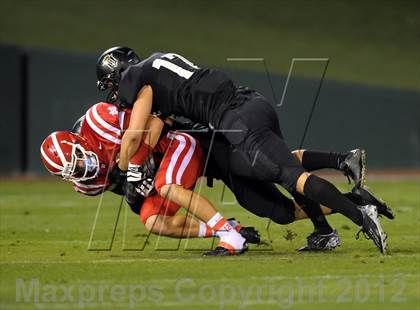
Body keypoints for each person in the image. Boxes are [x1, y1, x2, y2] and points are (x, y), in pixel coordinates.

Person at [95, 47, 389, 254]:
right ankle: (328, 225)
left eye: (111, 82)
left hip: (234, 118)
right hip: (243, 106)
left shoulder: (136, 78)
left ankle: (360, 213)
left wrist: (126, 168)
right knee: (276, 189)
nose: (114, 91)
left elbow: (135, 136)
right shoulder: (158, 65)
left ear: (119, 71)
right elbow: (155, 126)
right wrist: (135, 163)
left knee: (288, 175)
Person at [40, 102, 259, 254]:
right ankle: (229, 230)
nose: (83, 168)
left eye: (78, 159)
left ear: (79, 142)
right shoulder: (86, 185)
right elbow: (126, 188)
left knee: (169, 185)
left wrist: (135, 165)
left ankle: (229, 235)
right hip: (159, 172)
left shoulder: (100, 121)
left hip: (174, 146)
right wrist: (132, 193)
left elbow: (156, 121)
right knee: (154, 221)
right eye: (74, 171)